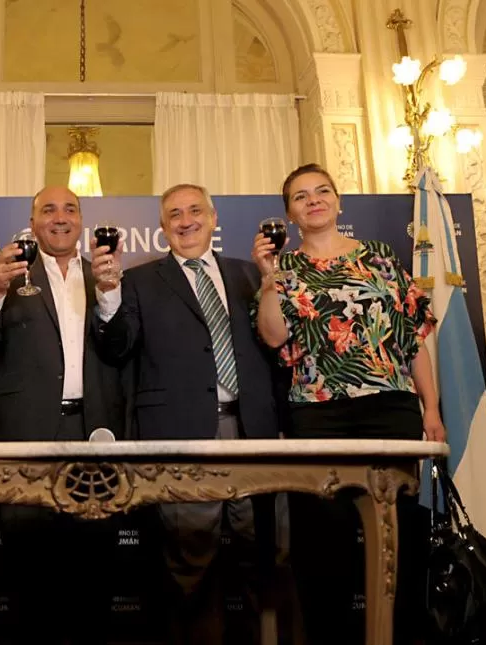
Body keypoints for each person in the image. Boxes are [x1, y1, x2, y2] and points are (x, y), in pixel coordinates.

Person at [250, 162, 445, 645]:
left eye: (322, 191)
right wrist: (270, 277)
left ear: (339, 202)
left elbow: (413, 340)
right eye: (300, 195)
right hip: (317, 414)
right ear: (290, 214)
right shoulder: (285, 268)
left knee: (397, 537)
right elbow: (273, 337)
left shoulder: (379, 258)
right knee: (322, 545)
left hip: (390, 410)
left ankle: (401, 634)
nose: (313, 200)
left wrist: (432, 410)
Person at [91, 183, 283, 644]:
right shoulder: (137, 279)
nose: (185, 220)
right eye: (174, 214)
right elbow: (117, 348)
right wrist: (107, 293)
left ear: (213, 219)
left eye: (195, 210)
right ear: (162, 228)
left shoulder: (250, 275)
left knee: (264, 558)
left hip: (252, 431)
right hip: (181, 433)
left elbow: (276, 349)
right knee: (189, 566)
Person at [0, 185, 125, 643]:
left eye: (70, 208)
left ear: (82, 221)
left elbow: (120, 350)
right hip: (26, 435)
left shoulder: (103, 275)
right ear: (33, 225)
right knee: (29, 565)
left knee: (95, 561)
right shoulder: (9, 277)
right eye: (48, 209)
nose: (60, 217)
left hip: (94, 434)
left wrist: (110, 296)